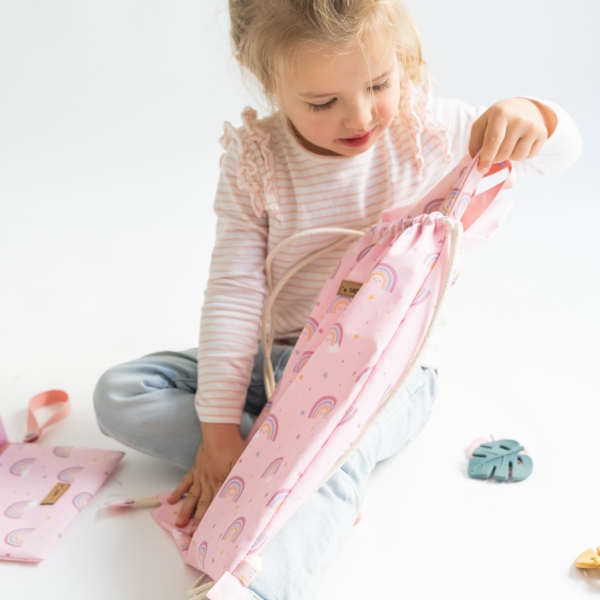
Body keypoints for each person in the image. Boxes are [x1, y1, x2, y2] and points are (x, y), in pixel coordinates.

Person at [93, 1, 581, 597]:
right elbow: (234, 291)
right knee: (120, 393)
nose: (360, 116)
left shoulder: (431, 129)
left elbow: (560, 153)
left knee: (332, 450)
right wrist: (217, 432)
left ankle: (263, 579)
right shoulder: (259, 159)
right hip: (278, 362)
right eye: (323, 102)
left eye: (378, 84)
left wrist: (534, 115)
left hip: (388, 374)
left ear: (400, 59)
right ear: (268, 80)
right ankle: (280, 453)